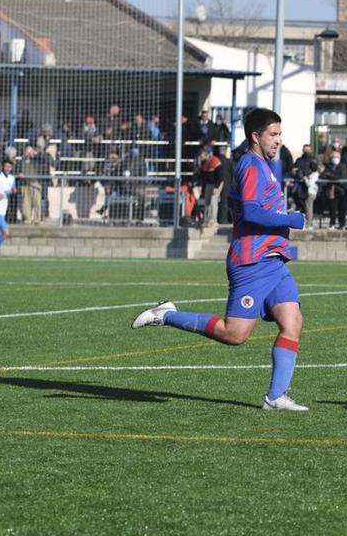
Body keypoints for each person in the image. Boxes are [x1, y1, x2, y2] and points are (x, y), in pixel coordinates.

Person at [131, 108, 309, 411]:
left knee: (292, 322)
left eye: (280, 134)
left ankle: (275, 397)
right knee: (235, 334)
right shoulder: (251, 166)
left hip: (273, 260)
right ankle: (166, 314)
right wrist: (291, 217)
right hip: (252, 261)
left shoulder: (262, 165)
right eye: (273, 134)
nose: (279, 140)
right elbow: (252, 213)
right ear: (256, 136)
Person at [0, 158, 15, 248]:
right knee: (6, 232)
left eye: (9, 167)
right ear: (2, 167)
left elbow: (12, 189)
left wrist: (13, 190)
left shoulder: (12, 178)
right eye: (6, 166)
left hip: (3, 211)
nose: (7, 168)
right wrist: (4, 194)